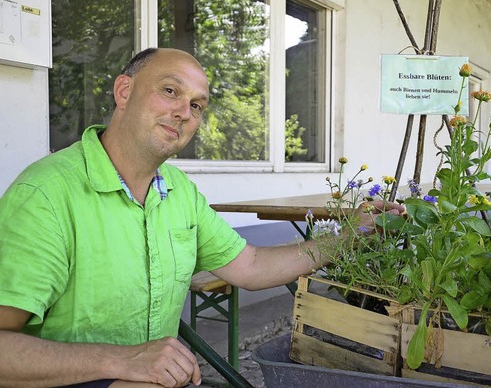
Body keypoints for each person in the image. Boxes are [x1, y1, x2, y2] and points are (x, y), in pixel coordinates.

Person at [0, 48, 403, 387]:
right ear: (124, 91)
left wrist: (352, 234)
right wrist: (121, 360)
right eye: (170, 91)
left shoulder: (177, 190)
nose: (183, 112)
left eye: (196, 105)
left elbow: (252, 265)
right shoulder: (46, 195)